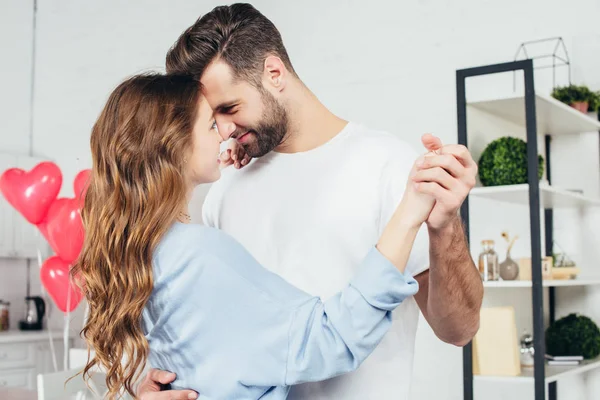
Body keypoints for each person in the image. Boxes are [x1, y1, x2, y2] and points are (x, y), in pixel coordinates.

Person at [139, 3, 484, 400]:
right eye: (213, 117)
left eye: (229, 108)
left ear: (274, 72)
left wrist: (444, 225)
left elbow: (459, 330)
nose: (225, 129)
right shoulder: (224, 191)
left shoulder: (392, 169)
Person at [73, 73, 439, 399]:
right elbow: (331, 340)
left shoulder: (142, 255)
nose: (226, 133)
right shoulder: (199, 253)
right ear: (176, 143)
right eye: (211, 125)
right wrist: (408, 213)